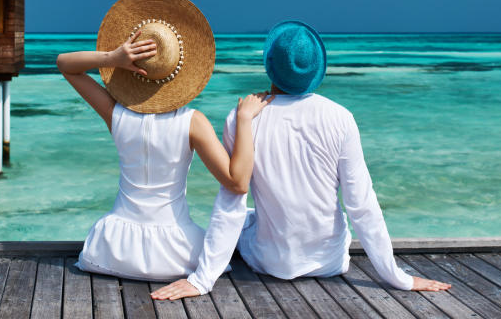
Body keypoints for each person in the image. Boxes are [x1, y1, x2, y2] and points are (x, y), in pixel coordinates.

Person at [152, 20, 451, 299]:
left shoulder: (241, 118)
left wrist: (201, 279)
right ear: (315, 69)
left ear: (269, 66)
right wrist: (399, 278)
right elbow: (362, 205)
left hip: (270, 263)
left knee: (246, 216)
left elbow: (230, 204)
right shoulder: (341, 118)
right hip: (331, 262)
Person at [56, 0, 271, 283]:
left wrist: (112, 57)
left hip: (110, 250)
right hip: (175, 254)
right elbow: (237, 182)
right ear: (182, 70)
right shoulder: (192, 122)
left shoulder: (116, 114)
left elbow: (66, 66)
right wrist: (245, 120)